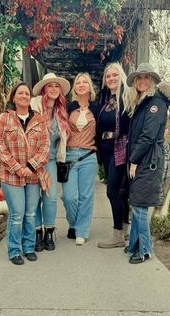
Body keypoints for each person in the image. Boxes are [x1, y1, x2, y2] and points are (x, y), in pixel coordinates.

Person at [126, 63, 170, 264]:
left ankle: (145, 249)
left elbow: (147, 136)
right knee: (137, 203)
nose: (142, 81)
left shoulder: (156, 104)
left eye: (146, 77)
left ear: (153, 82)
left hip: (148, 159)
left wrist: (133, 160)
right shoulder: (144, 102)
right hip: (145, 158)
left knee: (139, 205)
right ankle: (133, 245)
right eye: (139, 77)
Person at [0, 82, 50, 265]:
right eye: (20, 93)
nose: (24, 96)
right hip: (11, 176)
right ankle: (14, 250)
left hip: (33, 175)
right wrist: (18, 168)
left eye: (27, 93)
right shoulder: (4, 119)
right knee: (17, 213)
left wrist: (31, 167)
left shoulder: (39, 120)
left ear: (30, 98)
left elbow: (45, 147)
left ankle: (29, 247)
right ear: (14, 97)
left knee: (31, 213)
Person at [31, 73, 71, 252]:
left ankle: (49, 231)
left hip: (51, 159)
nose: (54, 88)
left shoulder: (60, 111)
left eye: (57, 86)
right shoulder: (34, 105)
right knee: (34, 198)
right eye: (50, 85)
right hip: (32, 160)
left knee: (50, 197)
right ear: (44, 89)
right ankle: (37, 233)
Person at [96, 62, 132, 249]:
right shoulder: (105, 99)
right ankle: (125, 228)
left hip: (120, 148)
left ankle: (117, 234)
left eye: (114, 75)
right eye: (108, 76)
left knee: (112, 192)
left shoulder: (127, 97)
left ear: (121, 76)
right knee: (120, 192)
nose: (111, 78)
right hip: (106, 148)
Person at [62, 72, 98, 246]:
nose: (82, 85)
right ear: (75, 88)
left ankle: (81, 231)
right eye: (78, 83)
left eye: (85, 82)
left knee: (85, 196)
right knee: (69, 197)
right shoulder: (69, 108)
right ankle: (74, 224)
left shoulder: (97, 109)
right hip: (70, 156)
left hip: (89, 156)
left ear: (90, 86)